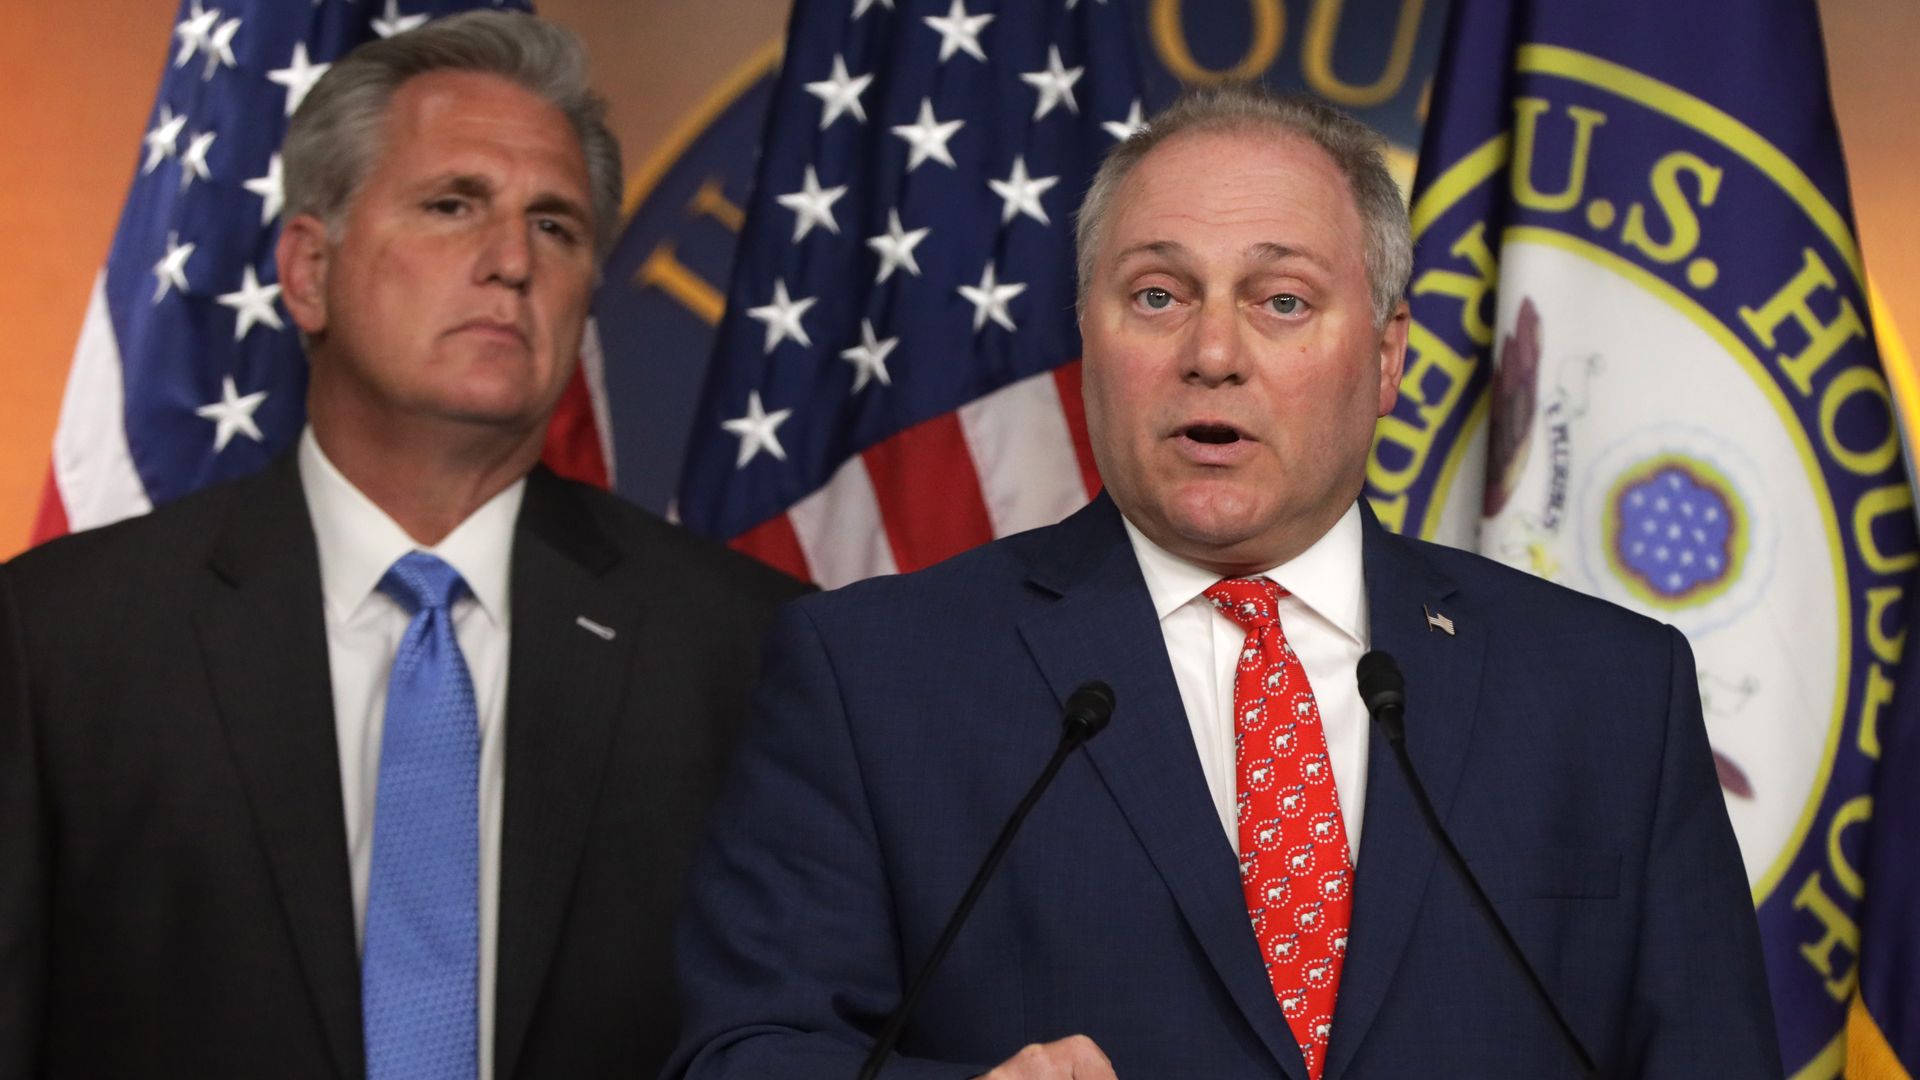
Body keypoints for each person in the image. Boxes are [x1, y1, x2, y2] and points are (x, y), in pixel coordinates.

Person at [665, 86, 1780, 1079]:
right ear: (1088, 338)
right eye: (1157, 296)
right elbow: (745, 1050)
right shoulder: (876, 676)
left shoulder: (1608, 694)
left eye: (1281, 300)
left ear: (1388, 356)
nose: (1213, 351)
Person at [0, 12, 804, 1079]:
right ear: (308, 270)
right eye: (452, 205)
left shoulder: (745, 648)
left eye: (557, 226)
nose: (512, 260)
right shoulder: (64, 638)